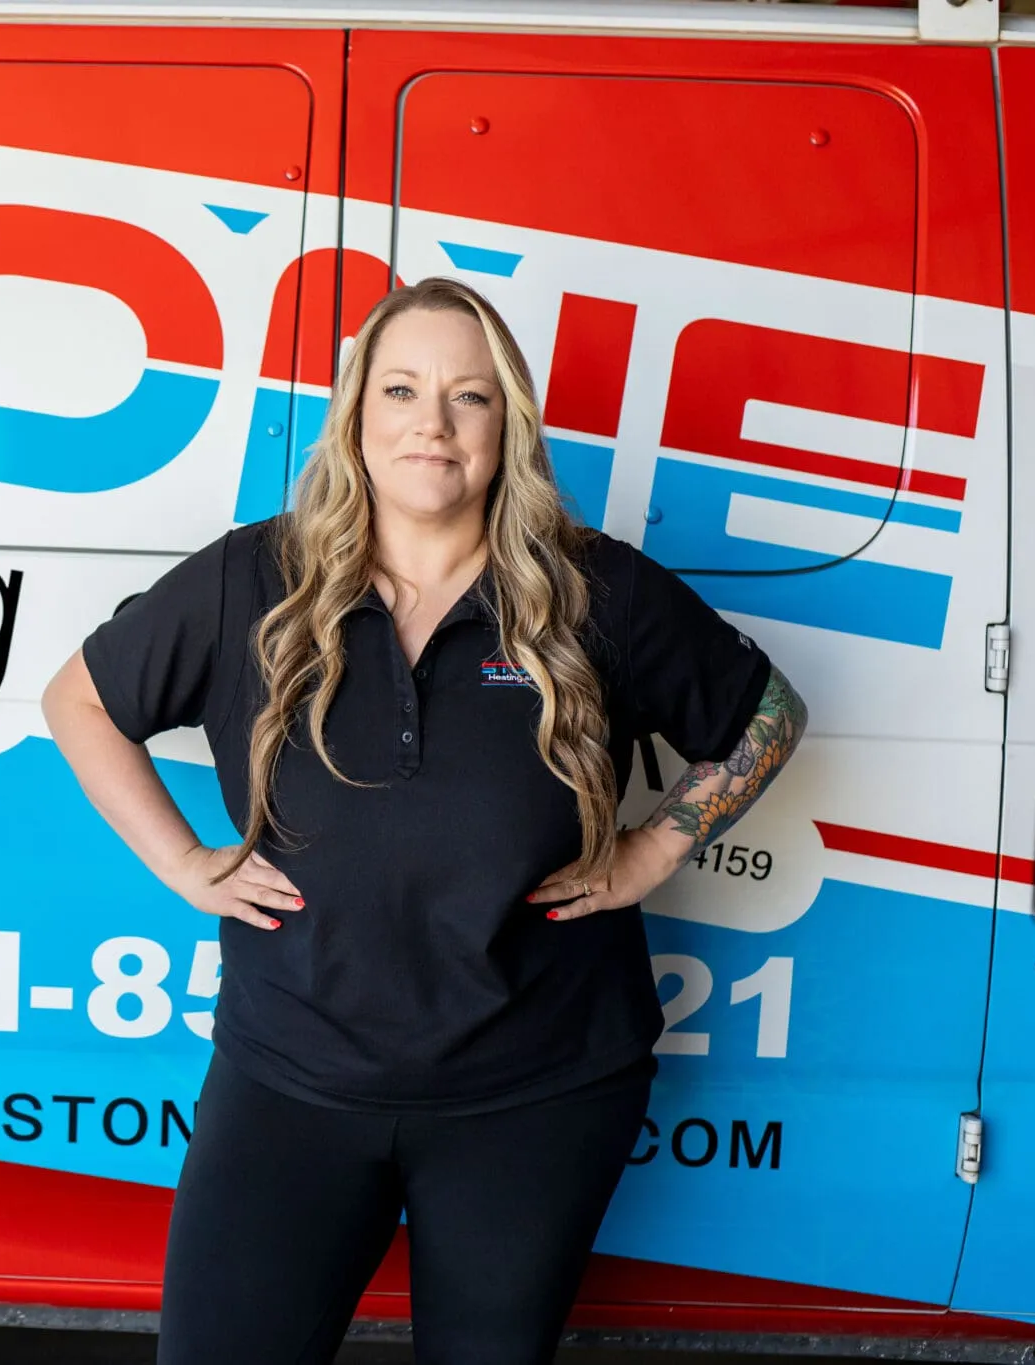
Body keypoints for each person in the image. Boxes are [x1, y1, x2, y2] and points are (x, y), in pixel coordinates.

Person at [41, 277, 807, 1365]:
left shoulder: (595, 593)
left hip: (535, 1092)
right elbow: (79, 701)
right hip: (290, 1078)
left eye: (468, 396)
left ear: (508, 424)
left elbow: (766, 713)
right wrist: (180, 861)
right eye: (400, 390)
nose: (431, 424)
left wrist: (652, 851)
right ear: (357, 413)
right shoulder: (252, 579)